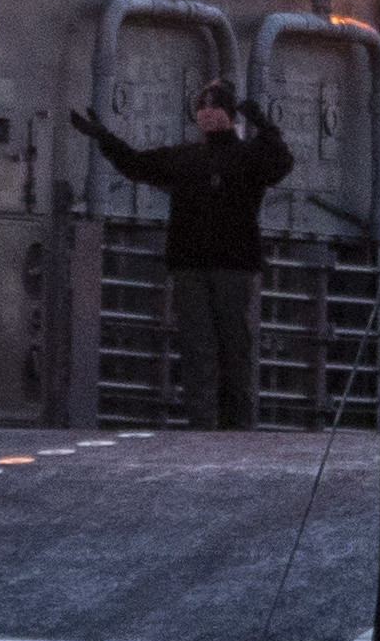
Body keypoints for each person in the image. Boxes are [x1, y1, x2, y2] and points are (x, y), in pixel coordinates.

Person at [72, 83, 293, 427]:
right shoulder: (220, 158)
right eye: (202, 107)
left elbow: (281, 164)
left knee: (217, 350)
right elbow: (135, 163)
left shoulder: (223, 158)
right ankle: (222, 430)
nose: (207, 112)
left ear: (228, 113)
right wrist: (103, 137)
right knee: (211, 349)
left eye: (213, 106)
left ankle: (220, 429)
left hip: (209, 267)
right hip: (214, 267)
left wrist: (264, 126)